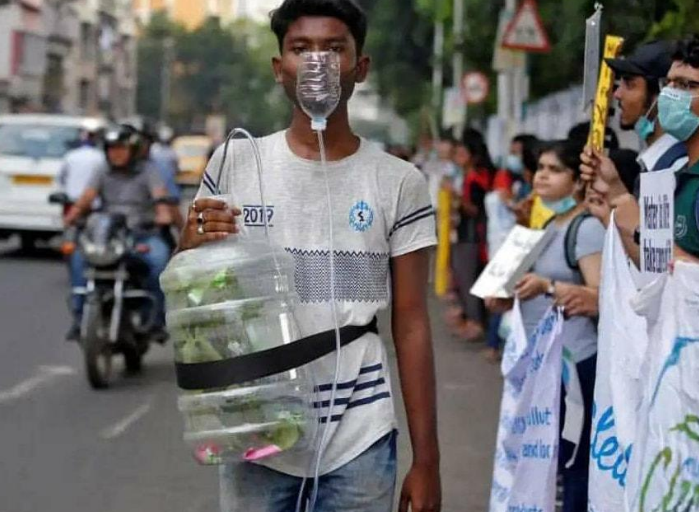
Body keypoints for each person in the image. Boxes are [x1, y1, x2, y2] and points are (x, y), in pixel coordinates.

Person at [177, 1, 442, 511]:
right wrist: (190, 243)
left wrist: (426, 460)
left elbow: (411, 323)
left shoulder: (398, 182)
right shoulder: (236, 161)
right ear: (280, 69)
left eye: (334, 48)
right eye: (301, 49)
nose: (317, 63)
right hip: (258, 430)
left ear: (360, 67)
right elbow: (194, 286)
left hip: (359, 435)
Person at [487, 140, 605, 512]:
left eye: (555, 170)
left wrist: (547, 286)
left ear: (577, 182)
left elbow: (601, 295)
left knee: (571, 465)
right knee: (540, 463)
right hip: (540, 367)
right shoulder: (549, 223)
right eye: (540, 168)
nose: (542, 176)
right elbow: (502, 293)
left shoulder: (585, 230)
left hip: (573, 365)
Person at [580, 39, 690, 265]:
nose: (617, 94)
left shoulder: (678, 168)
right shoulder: (653, 164)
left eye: (629, 84)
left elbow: (664, 265)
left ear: (663, 95)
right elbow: (643, 261)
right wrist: (610, 201)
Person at [63, 125, 173, 341]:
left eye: (121, 148)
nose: (116, 153)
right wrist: (73, 215)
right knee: (77, 257)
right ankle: (79, 318)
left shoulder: (148, 170)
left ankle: (154, 320)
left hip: (142, 234)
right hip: (108, 235)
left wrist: (163, 213)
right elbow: (87, 197)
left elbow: (160, 195)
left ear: (133, 150)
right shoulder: (101, 170)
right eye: (112, 148)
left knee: (159, 262)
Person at [447, 139, 493, 342]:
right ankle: (471, 319)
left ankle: (476, 323)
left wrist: (456, 197)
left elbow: (475, 209)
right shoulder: (465, 176)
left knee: (469, 280)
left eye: (462, 154)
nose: (458, 158)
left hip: (472, 236)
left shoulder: (476, 179)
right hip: (463, 233)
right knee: (463, 279)